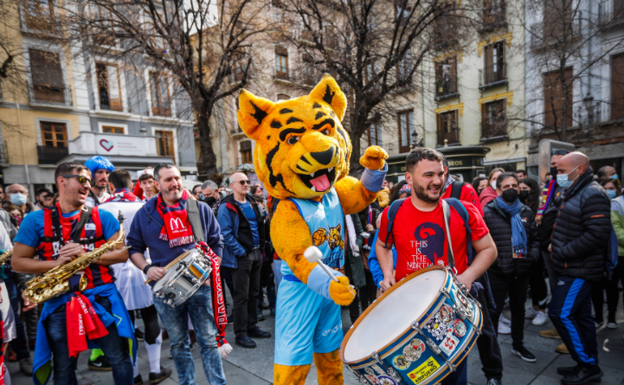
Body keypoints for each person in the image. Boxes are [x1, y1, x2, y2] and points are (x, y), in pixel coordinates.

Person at [376, 148, 497, 385]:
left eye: (441, 174)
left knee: (453, 377)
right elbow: (382, 245)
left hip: (450, 310)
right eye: (428, 175)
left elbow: (489, 249)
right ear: (409, 178)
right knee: (411, 374)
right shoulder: (394, 211)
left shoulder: (462, 210)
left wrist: (468, 276)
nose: (437, 181)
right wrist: (388, 273)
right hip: (406, 309)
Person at [11, 162, 135, 385]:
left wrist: (86, 253)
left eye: (89, 180)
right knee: (64, 366)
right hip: (59, 302)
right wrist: (57, 263)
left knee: (119, 358)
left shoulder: (103, 216)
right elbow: (18, 263)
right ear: (61, 181)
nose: (88, 185)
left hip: (102, 298)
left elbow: (122, 254)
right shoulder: (34, 220)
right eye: (82, 179)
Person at [126, 164, 227, 385]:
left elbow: (216, 243)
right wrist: (147, 268)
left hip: (200, 285)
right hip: (165, 290)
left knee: (209, 341)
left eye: (177, 178)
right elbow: (133, 247)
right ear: (156, 184)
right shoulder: (145, 213)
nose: (175, 183)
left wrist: (212, 270)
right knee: (179, 343)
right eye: (168, 179)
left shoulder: (198, 207)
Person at [99, 170, 172, 384]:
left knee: (124, 321)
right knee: (150, 316)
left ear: (111, 186)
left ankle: (133, 375)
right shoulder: (145, 205)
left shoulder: (100, 209)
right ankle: (155, 369)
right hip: (144, 267)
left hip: (115, 269)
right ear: (132, 186)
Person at [548, 152, 610, 384]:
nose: (559, 175)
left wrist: (562, 251)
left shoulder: (592, 193)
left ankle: (586, 365)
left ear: (580, 169)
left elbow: (597, 234)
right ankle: (588, 362)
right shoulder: (575, 190)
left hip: (579, 268)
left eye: (562, 171)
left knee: (560, 313)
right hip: (572, 266)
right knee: (582, 317)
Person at [483, 172, 540, 363]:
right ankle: (493, 352)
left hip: (521, 271)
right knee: (494, 313)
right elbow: (482, 244)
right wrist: (494, 263)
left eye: (514, 186)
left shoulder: (526, 212)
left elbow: (535, 240)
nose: (511, 190)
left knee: (519, 311)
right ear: (498, 190)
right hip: (497, 273)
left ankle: (518, 345)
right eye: (506, 187)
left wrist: (531, 258)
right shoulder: (487, 212)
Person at [217, 172, 270, 348]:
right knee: (241, 297)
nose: (246, 184)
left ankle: (252, 326)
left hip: (256, 254)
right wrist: (241, 252)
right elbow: (225, 233)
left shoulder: (253, 202)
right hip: (242, 257)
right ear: (232, 185)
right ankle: (241, 334)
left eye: (247, 181)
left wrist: (260, 249)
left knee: (255, 292)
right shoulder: (227, 206)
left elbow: (259, 227)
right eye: (242, 182)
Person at [536, 149, 569, 347]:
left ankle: (571, 334)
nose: (555, 168)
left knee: (567, 291)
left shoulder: (571, 188)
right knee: (556, 287)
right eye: (553, 165)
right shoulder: (552, 186)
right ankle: (560, 328)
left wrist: (555, 240)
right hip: (547, 245)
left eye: (559, 165)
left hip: (560, 246)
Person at [591, 179, 623, 329]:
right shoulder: (594, 204)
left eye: (611, 188)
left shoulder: (617, 204)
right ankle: (598, 317)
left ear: (617, 189)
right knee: (597, 288)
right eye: (605, 188)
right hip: (599, 253)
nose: (608, 191)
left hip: (618, 254)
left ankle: (611, 317)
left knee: (612, 287)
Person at [519, 177, 549, 326]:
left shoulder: (540, 204)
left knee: (538, 279)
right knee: (529, 280)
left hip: (536, 247)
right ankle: (534, 306)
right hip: (523, 248)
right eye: (520, 189)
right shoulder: (518, 204)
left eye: (525, 189)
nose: (522, 192)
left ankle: (542, 310)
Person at [609, 179, 624, 331]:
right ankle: (611, 317)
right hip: (618, 253)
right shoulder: (618, 203)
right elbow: (616, 229)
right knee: (612, 287)